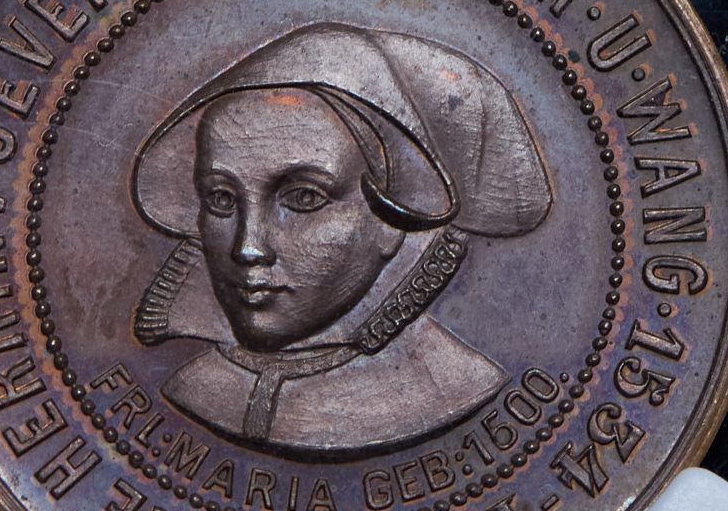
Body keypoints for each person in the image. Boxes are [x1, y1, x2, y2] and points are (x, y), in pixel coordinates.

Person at [131, 23, 552, 456]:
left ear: (392, 219)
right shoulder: (192, 387)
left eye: (304, 197)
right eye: (221, 198)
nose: (248, 247)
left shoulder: (452, 388)